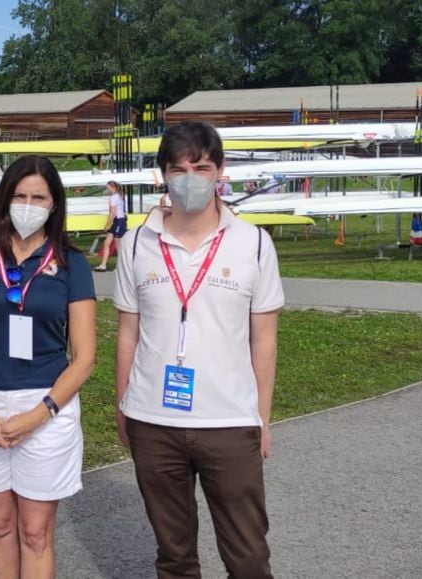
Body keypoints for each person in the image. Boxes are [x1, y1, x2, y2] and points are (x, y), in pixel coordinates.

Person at [114, 120, 283, 579]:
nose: (191, 178)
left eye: (202, 167)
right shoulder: (134, 246)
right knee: (174, 557)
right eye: (179, 169)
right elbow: (128, 332)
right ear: (162, 175)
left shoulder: (254, 243)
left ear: (220, 171)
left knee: (248, 557)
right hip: (153, 420)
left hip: (228, 421)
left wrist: (261, 420)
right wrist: (123, 405)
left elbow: (263, 339)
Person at [0, 155, 96, 578]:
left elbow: (84, 357)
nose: (28, 204)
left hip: (47, 407)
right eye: (20, 195)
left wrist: (39, 413)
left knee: (34, 531)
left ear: (54, 204)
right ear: (4, 199)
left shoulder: (71, 263)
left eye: (38, 197)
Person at [95, 180, 127, 271]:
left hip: (119, 221)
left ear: (112, 188)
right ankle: (103, 264)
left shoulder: (114, 197)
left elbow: (112, 213)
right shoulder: (118, 196)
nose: (107, 189)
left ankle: (121, 266)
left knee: (118, 245)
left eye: (108, 188)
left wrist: (107, 225)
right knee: (106, 243)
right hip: (118, 221)